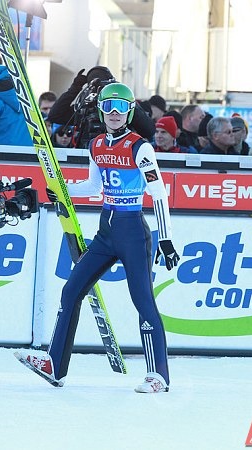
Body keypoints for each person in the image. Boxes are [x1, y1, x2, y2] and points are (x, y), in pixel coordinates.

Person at [15, 83, 179, 393]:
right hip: (106, 232)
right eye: (108, 107)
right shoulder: (96, 145)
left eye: (121, 107)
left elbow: (158, 193)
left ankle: (158, 375)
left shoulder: (140, 147)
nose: (114, 113)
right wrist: (63, 190)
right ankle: (54, 365)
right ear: (100, 110)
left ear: (130, 112)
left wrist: (166, 239)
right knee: (71, 290)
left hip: (132, 232)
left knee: (142, 299)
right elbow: (94, 187)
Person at [47, 66, 155, 148]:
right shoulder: (86, 107)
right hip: (86, 156)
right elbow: (55, 116)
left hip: (118, 154)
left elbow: (149, 130)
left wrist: (121, 96)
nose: (113, 112)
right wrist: (75, 88)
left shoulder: (121, 108)